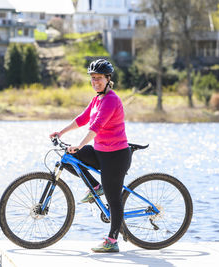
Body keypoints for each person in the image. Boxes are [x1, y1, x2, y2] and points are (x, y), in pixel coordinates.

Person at [49, 58, 132, 253]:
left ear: (108, 78)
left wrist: (79, 145)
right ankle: (96, 186)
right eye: (93, 78)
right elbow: (82, 119)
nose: (95, 82)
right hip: (100, 151)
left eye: (99, 79)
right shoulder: (97, 99)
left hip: (116, 156)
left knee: (114, 199)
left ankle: (112, 240)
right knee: (67, 159)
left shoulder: (111, 99)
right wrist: (61, 133)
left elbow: (96, 127)